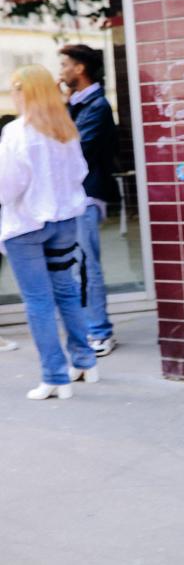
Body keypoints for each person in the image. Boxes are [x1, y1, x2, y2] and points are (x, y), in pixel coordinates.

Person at [0, 65, 98, 399]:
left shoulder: (17, 132)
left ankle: (55, 378)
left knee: (38, 302)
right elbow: (79, 173)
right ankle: (85, 362)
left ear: (23, 91)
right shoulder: (64, 129)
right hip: (64, 222)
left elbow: (7, 187)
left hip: (26, 225)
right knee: (66, 292)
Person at [59, 44, 119, 357]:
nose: (61, 71)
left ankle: (100, 332)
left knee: (87, 266)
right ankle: (90, 328)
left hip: (87, 196)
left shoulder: (97, 106)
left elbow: (73, 151)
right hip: (74, 197)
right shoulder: (79, 104)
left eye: (65, 65)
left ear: (80, 68)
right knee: (78, 266)